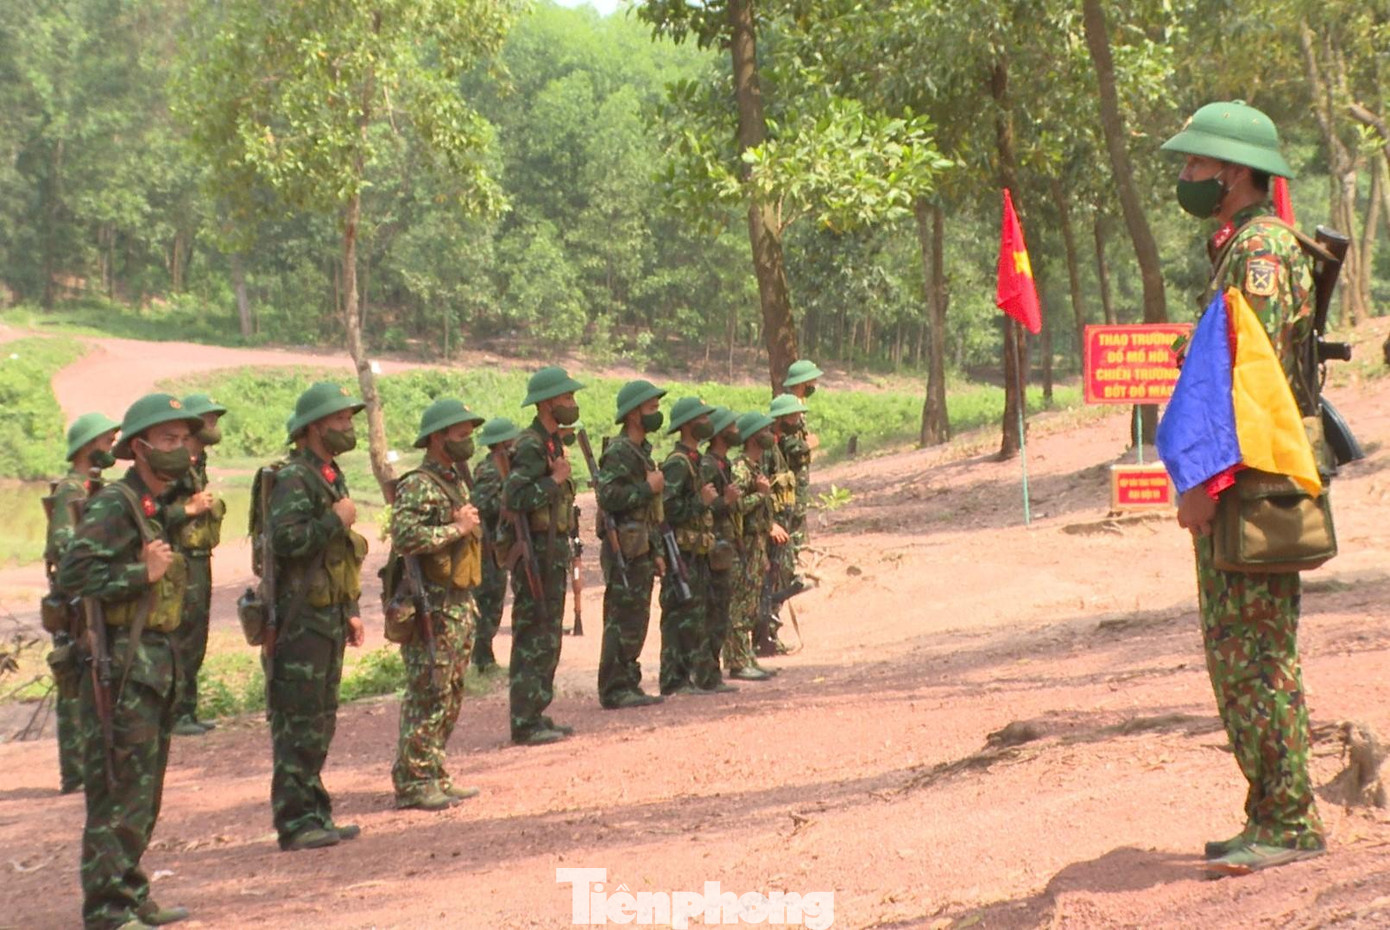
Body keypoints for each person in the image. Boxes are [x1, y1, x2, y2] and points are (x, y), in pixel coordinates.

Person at [1161, 100, 1326, 874]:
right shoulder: (1242, 247)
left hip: (1252, 485)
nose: (1186, 176)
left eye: (1196, 165)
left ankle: (1290, 821)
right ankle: (1268, 810)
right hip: (1244, 481)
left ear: (1231, 172)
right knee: (1240, 652)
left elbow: (1243, 383)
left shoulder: (1259, 254)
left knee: (1255, 655)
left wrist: (1202, 480)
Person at [58, 393, 204, 930]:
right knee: (117, 791)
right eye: (169, 440)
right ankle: (108, 908)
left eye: (184, 438)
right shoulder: (115, 504)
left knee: (142, 793)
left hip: (151, 668)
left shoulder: (149, 505)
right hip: (120, 670)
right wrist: (138, 576)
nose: (182, 448)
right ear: (139, 448)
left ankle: (130, 891)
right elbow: (73, 575)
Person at [265, 382, 368, 850]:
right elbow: (285, 542)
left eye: (350, 419)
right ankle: (295, 821)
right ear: (312, 427)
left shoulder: (329, 474)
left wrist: (350, 609)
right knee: (298, 721)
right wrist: (335, 520)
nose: (348, 427)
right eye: (339, 420)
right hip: (300, 619)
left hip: (327, 614)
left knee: (321, 719)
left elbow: (338, 555)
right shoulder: (295, 478)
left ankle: (315, 812)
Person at [389, 398, 485, 811]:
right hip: (432, 606)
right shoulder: (418, 483)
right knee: (428, 693)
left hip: (457, 604)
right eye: (460, 433)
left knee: (450, 693)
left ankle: (434, 771)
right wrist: (457, 527)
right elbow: (405, 536)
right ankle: (413, 782)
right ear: (436, 437)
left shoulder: (453, 480)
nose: (468, 440)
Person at [504, 366, 583, 745]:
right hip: (535, 552)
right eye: (567, 398)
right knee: (532, 633)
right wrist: (553, 480)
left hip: (552, 551)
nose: (573, 404)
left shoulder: (551, 443)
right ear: (549, 402)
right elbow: (515, 498)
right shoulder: (532, 445)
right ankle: (524, 719)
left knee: (549, 633)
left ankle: (537, 710)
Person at [43, 412, 119, 795]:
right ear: (90, 445)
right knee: (74, 682)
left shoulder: (95, 487)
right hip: (73, 602)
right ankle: (74, 773)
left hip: (90, 596)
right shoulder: (71, 490)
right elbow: (60, 544)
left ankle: (91, 764)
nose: (112, 447)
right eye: (107, 441)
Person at [595, 379, 668, 710]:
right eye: (651, 408)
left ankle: (629, 681)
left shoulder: (640, 451)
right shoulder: (620, 452)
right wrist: (646, 487)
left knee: (637, 617)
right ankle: (613, 686)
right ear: (634, 414)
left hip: (640, 546)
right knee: (621, 616)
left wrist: (656, 552)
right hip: (623, 547)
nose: (656, 414)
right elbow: (608, 497)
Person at [166, 394, 228, 736]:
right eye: (207, 418)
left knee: (196, 637)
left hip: (199, 560)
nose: (213, 424)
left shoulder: (196, 463)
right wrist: (187, 510)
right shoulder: (174, 466)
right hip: (181, 562)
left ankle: (187, 710)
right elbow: (154, 515)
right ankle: (176, 714)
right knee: (181, 636)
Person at [658, 396, 727, 696]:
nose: (707, 423)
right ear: (687, 424)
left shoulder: (694, 461)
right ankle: (673, 680)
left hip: (695, 552)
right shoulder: (677, 464)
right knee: (678, 616)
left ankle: (687, 677)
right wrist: (702, 502)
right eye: (701, 418)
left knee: (694, 617)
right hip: (681, 553)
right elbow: (668, 509)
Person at [726, 411, 786, 681]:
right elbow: (735, 505)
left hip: (757, 544)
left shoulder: (756, 468)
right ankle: (737, 661)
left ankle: (747, 656)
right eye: (764, 430)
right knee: (740, 604)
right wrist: (759, 496)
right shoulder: (740, 469)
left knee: (751, 604)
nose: (770, 434)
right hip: (744, 544)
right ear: (752, 436)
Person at [471, 416, 522, 673]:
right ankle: (480, 656)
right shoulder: (490, 470)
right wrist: (506, 503)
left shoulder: (503, 467)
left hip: (496, 544)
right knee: (487, 599)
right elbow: (482, 505)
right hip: (486, 544)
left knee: (495, 597)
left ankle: (484, 653)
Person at [698, 407, 742, 693]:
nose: (737, 431)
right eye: (733, 426)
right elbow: (705, 509)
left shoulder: (723, 465)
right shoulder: (708, 466)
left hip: (725, 547)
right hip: (712, 549)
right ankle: (706, 674)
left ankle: (712, 672)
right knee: (711, 612)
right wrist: (724, 501)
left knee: (721, 612)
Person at [760, 394, 806, 655]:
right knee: (768, 582)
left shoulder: (781, 448)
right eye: (791, 416)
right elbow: (760, 489)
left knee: (781, 578)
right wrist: (768, 525)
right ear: (779, 420)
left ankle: (769, 634)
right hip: (771, 529)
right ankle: (763, 636)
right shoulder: (767, 449)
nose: (796, 420)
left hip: (783, 527)